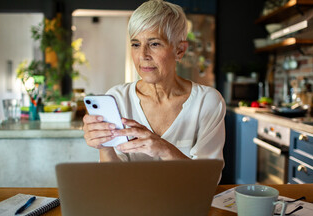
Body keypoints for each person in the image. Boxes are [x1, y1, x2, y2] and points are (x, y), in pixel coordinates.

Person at [83, 0, 226, 162]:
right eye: (136, 44)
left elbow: (207, 178)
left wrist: (164, 149)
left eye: (154, 44)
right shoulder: (117, 98)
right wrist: (105, 147)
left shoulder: (207, 101)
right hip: (132, 188)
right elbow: (115, 179)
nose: (143, 55)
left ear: (179, 50)